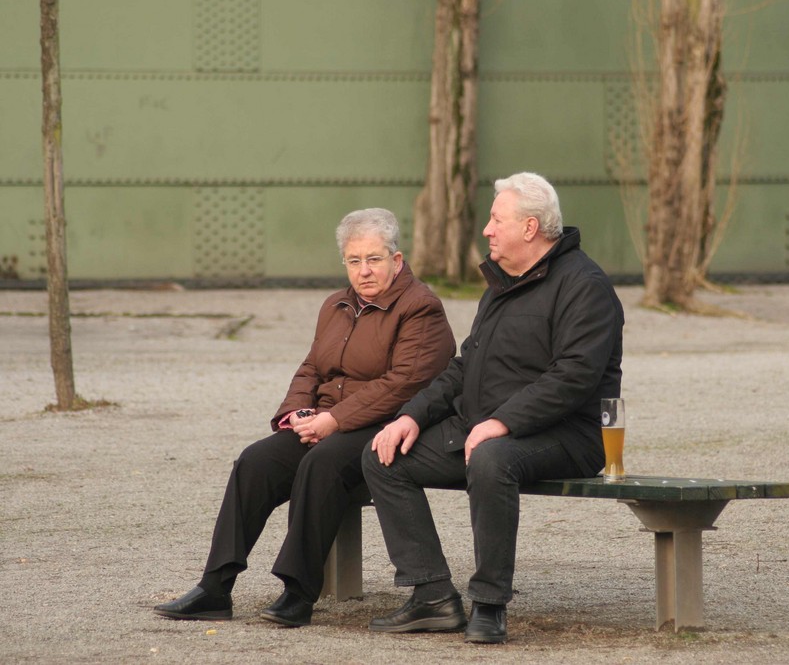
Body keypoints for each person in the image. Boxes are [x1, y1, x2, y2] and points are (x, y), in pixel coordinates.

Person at [154, 208, 455, 627]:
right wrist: (297, 413)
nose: (364, 271)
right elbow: (311, 367)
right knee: (255, 461)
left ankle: (298, 593)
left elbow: (403, 384)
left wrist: (335, 421)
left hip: (387, 427)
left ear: (397, 260)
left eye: (374, 259)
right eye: (354, 261)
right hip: (326, 422)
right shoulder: (336, 304)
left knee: (322, 463)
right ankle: (214, 587)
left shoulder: (420, 308)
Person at [362, 172, 625, 644]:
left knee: (490, 459)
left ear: (529, 227)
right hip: (487, 426)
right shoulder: (501, 284)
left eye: (495, 219)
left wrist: (503, 422)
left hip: (568, 436)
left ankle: (489, 602)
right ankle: (433, 596)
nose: (486, 229)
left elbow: (574, 376)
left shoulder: (585, 286)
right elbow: (464, 367)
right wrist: (410, 415)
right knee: (382, 455)